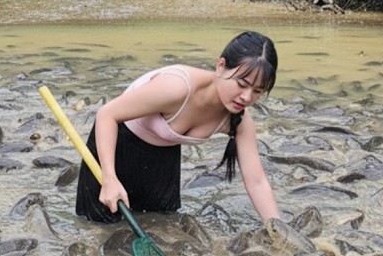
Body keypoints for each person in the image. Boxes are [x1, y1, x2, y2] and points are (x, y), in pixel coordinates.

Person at [76, 30, 282, 224]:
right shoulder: (177, 88)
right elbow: (107, 115)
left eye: (257, 91)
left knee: (163, 229)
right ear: (221, 66)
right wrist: (109, 179)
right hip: (115, 147)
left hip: (163, 161)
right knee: (99, 232)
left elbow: (256, 181)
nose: (246, 97)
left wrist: (278, 231)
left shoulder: (239, 120)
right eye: (241, 84)